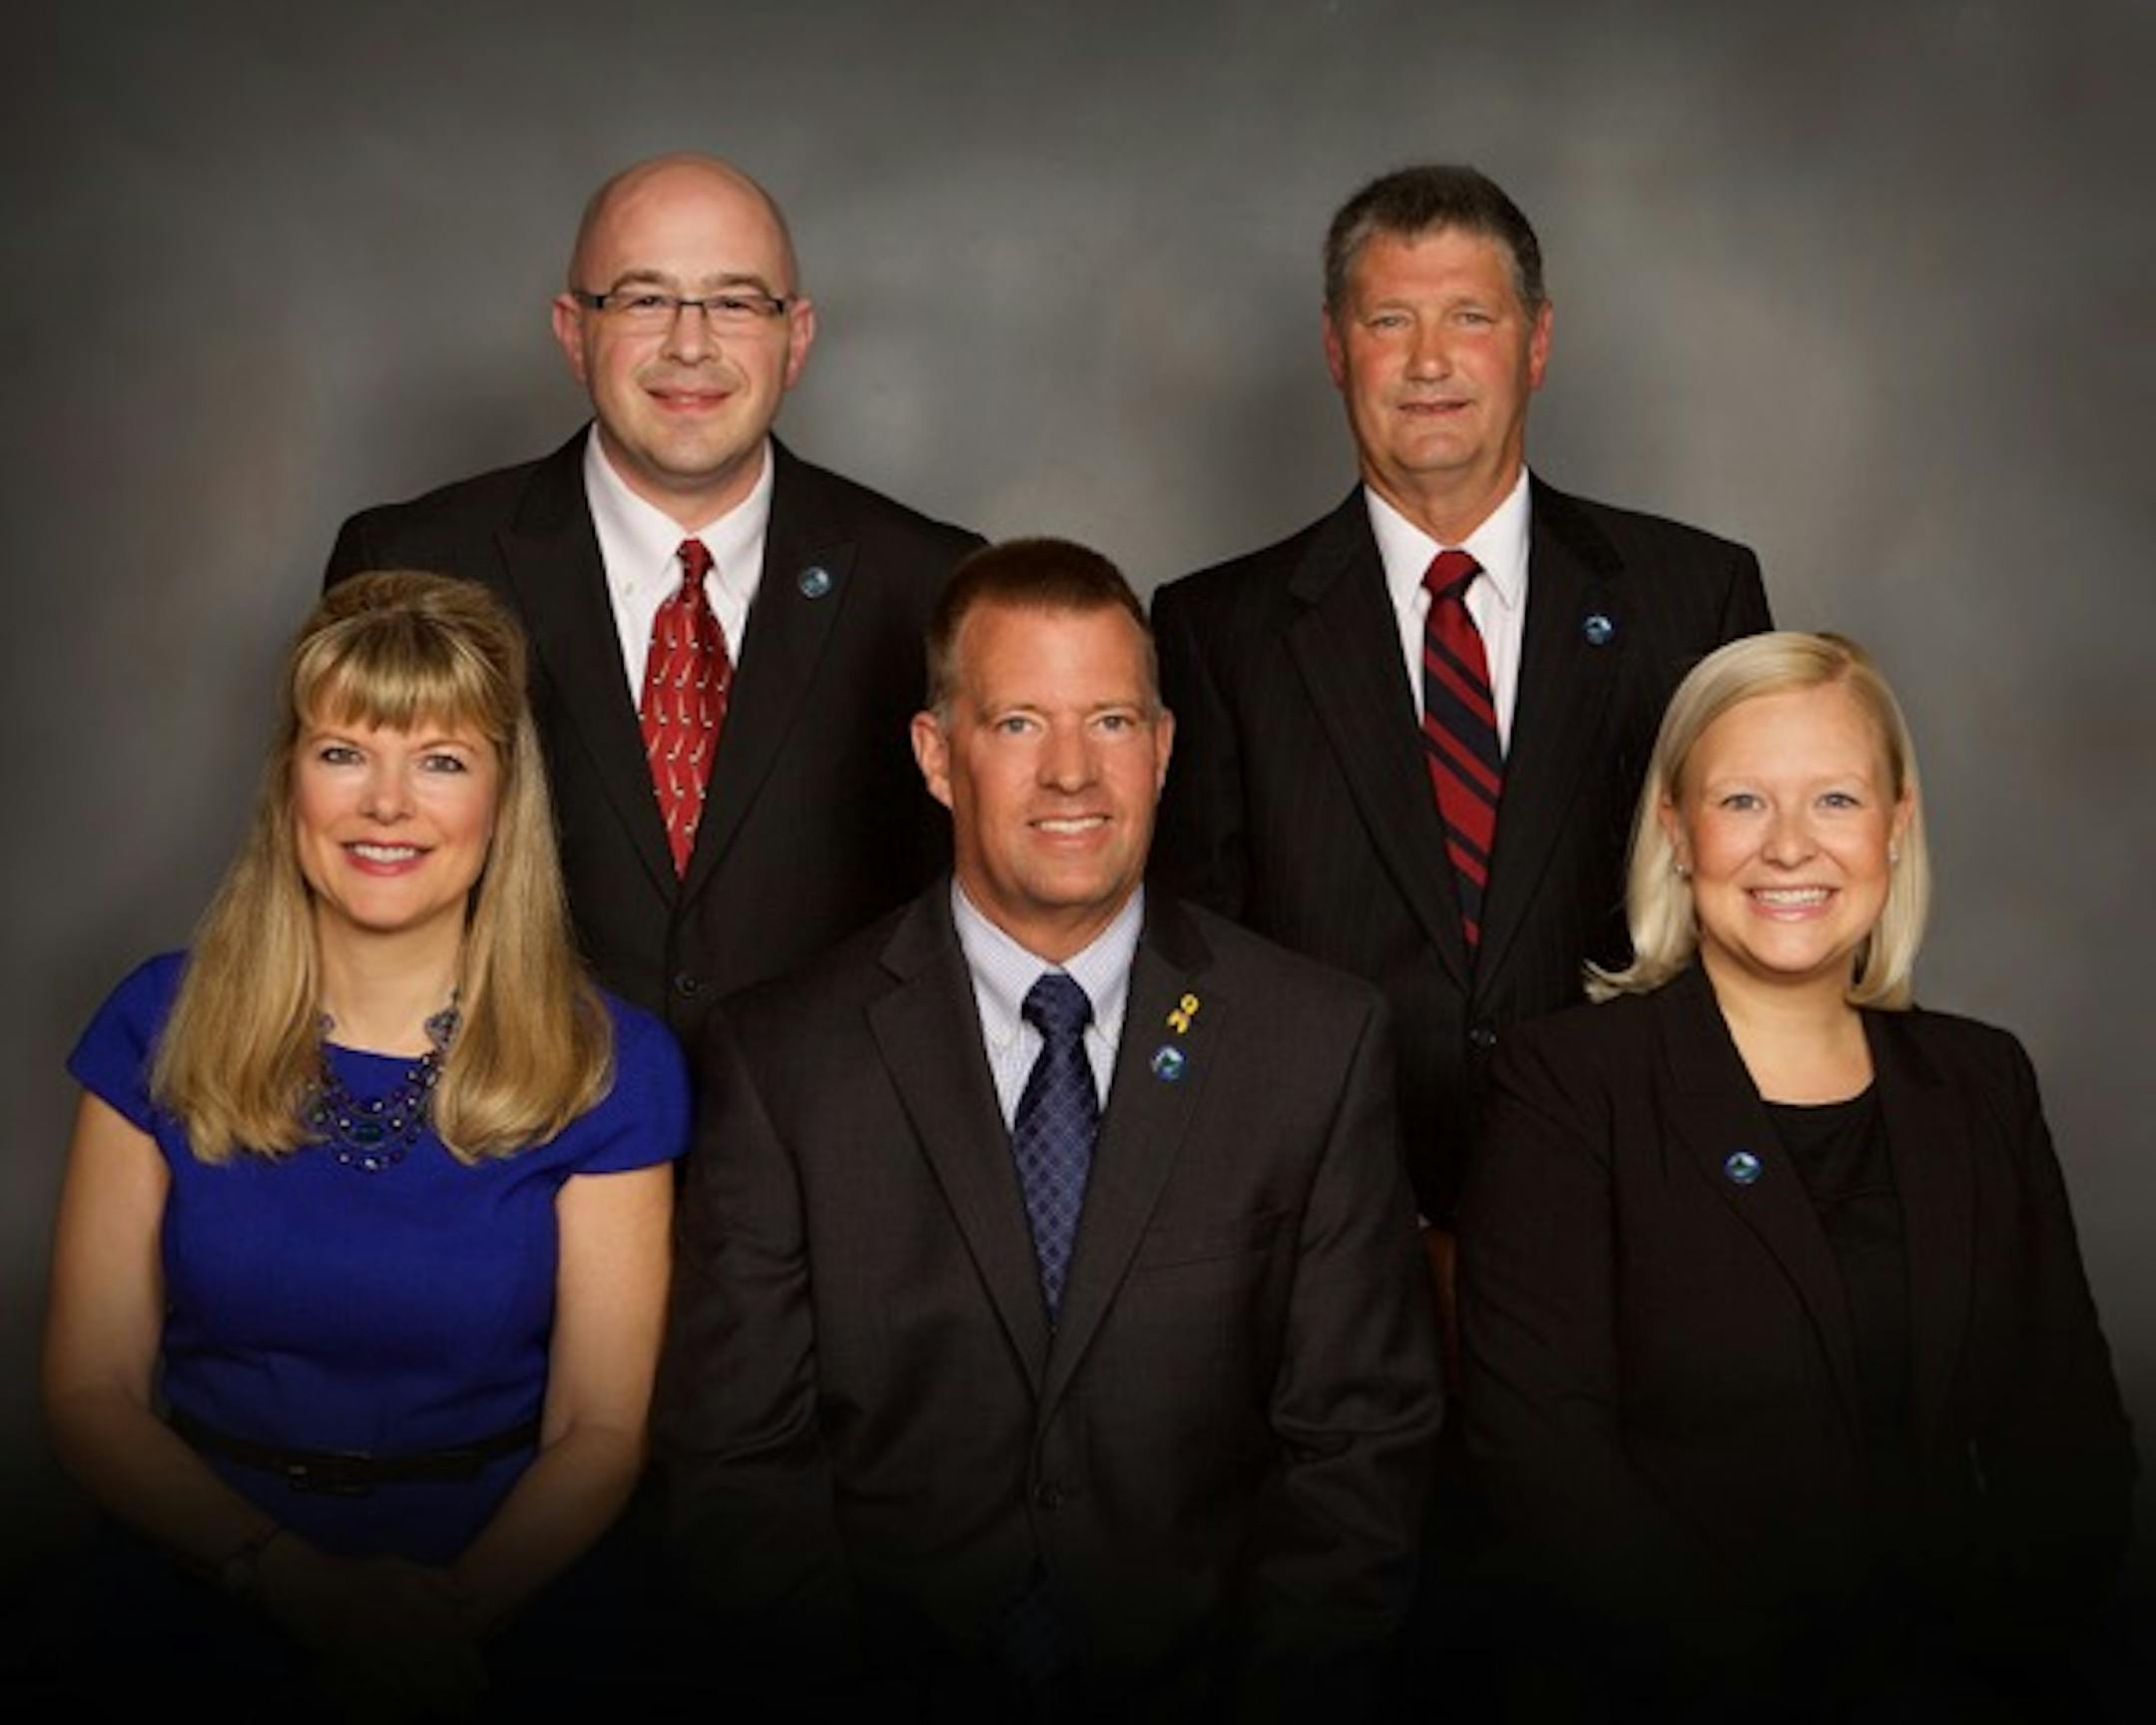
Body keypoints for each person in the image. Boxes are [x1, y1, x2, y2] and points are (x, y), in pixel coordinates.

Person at [655, 538, 1442, 1717]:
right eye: (1020, 723)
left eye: (1112, 722)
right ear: (937, 757)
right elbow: (738, 1470)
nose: (1073, 773)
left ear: (1164, 750)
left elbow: (1359, 1453)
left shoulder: (1312, 1048)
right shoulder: (785, 1064)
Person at [43, 573, 688, 1713]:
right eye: (345, 752)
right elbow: (89, 1392)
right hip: (200, 1583)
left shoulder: (612, 1065)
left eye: (440, 760)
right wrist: (290, 1585)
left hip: (498, 1609)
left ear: (503, 800)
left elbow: (599, 1431)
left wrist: (434, 1626)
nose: (386, 804)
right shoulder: (157, 1021)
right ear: (290, 782)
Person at [1457, 632, 2135, 1713]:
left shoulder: (1981, 1083)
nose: (1788, 849)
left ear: (1896, 826)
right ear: (1676, 831)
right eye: (1741, 804)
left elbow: (2068, 1453)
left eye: (1833, 801)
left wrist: (1984, 1677)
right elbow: (1545, 1467)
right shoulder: (1568, 1088)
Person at [1149, 164, 1772, 1265]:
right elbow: (1206, 963)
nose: (1429, 362)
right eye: (1390, 320)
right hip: (1331, 1234)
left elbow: (1747, 925)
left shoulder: (1693, 597)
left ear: (1535, 344)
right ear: (1337, 352)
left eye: (1469, 319)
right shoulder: (1217, 630)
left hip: (1641, 1216)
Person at [324, 153, 981, 1046]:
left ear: (797, 338)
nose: (690, 345)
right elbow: (347, 884)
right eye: (642, 299)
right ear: (571, 331)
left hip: (831, 1162)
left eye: (737, 302)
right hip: (504, 1143)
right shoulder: (415, 563)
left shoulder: (932, 585)